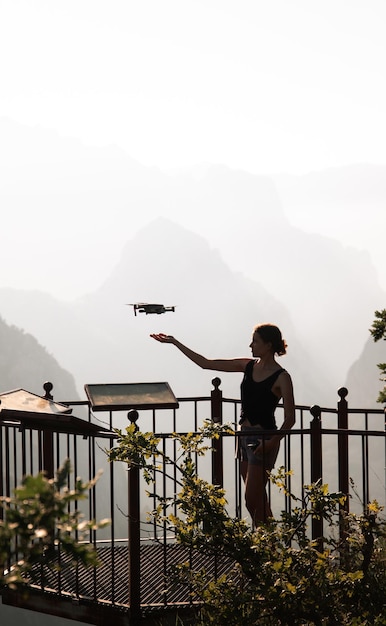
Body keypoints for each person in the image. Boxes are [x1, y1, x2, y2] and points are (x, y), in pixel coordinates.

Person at [150, 324, 295, 526]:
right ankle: (270, 547)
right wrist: (175, 342)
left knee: (251, 498)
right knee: (257, 500)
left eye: (255, 341)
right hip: (243, 437)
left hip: (264, 439)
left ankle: (268, 545)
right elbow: (206, 363)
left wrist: (271, 443)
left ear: (269, 345)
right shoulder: (249, 366)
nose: (250, 345)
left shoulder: (282, 377)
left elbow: (290, 418)